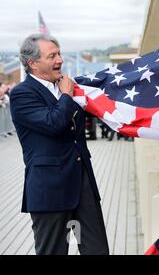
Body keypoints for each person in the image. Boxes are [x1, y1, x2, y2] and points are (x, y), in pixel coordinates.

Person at [9, 34, 109, 255]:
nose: (60, 60)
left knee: (97, 250)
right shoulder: (21, 94)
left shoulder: (69, 87)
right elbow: (53, 123)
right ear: (32, 63)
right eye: (52, 56)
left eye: (60, 53)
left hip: (83, 187)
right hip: (50, 191)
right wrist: (66, 95)